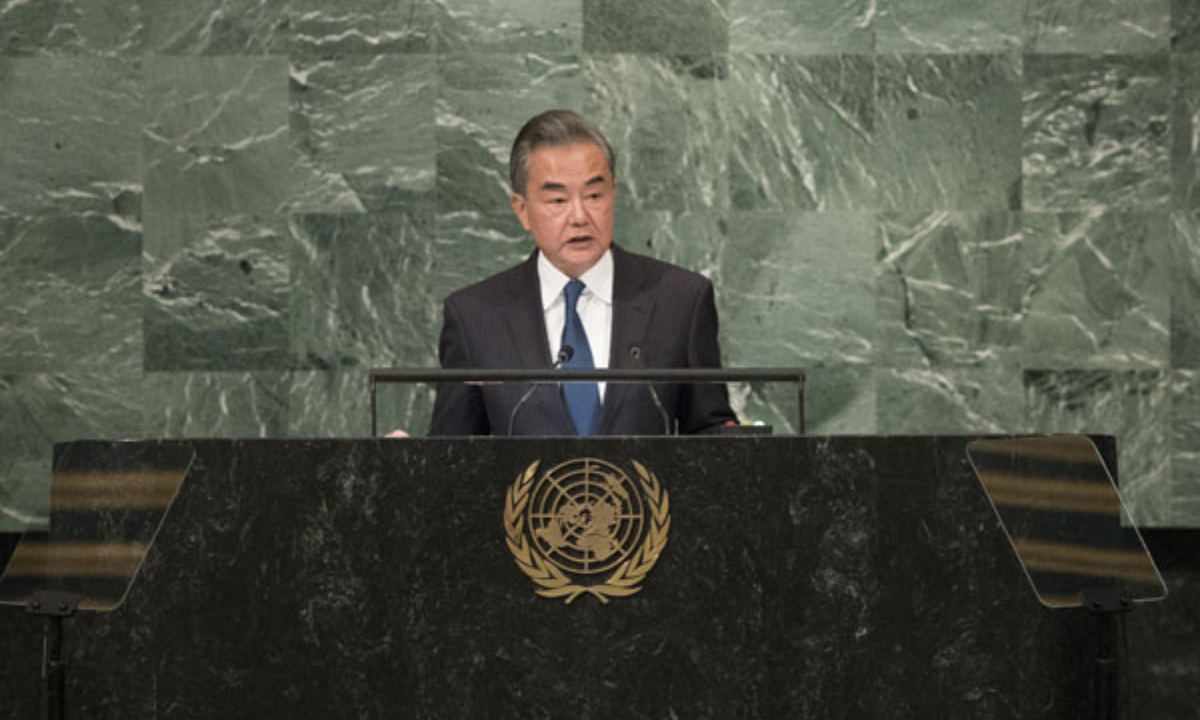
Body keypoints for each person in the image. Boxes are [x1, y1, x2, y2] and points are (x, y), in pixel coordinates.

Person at [426, 109, 736, 436]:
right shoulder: (475, 317)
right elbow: (453, 456)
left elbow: (710, 433)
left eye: (594, 196)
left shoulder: (680, 299)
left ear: (613, 193)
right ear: (522, 209)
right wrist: (402, 463)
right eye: (558, 200)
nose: (579, 216)